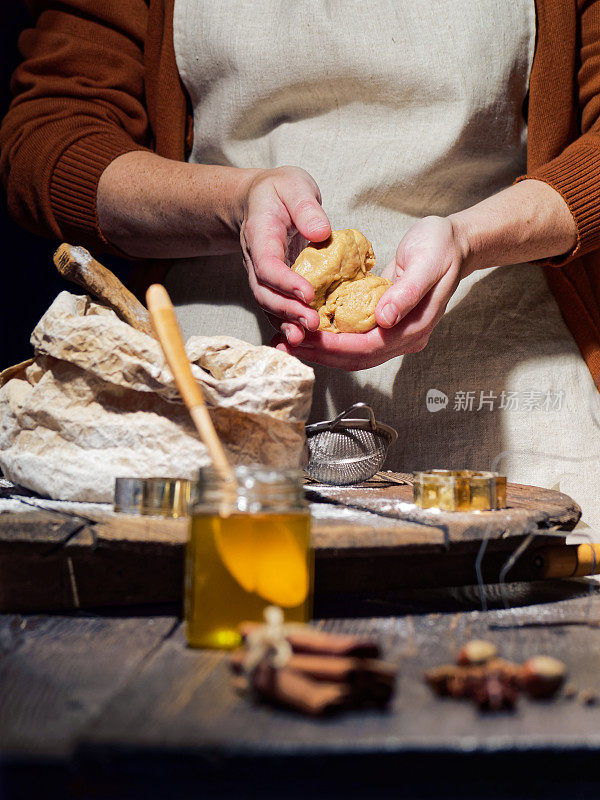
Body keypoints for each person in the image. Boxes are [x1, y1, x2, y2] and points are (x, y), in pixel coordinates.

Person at [2, 1, 600, 528]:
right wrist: (234, 204)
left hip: (502, 396)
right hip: (215, 391)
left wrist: (470, 239)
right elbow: (50, 133)